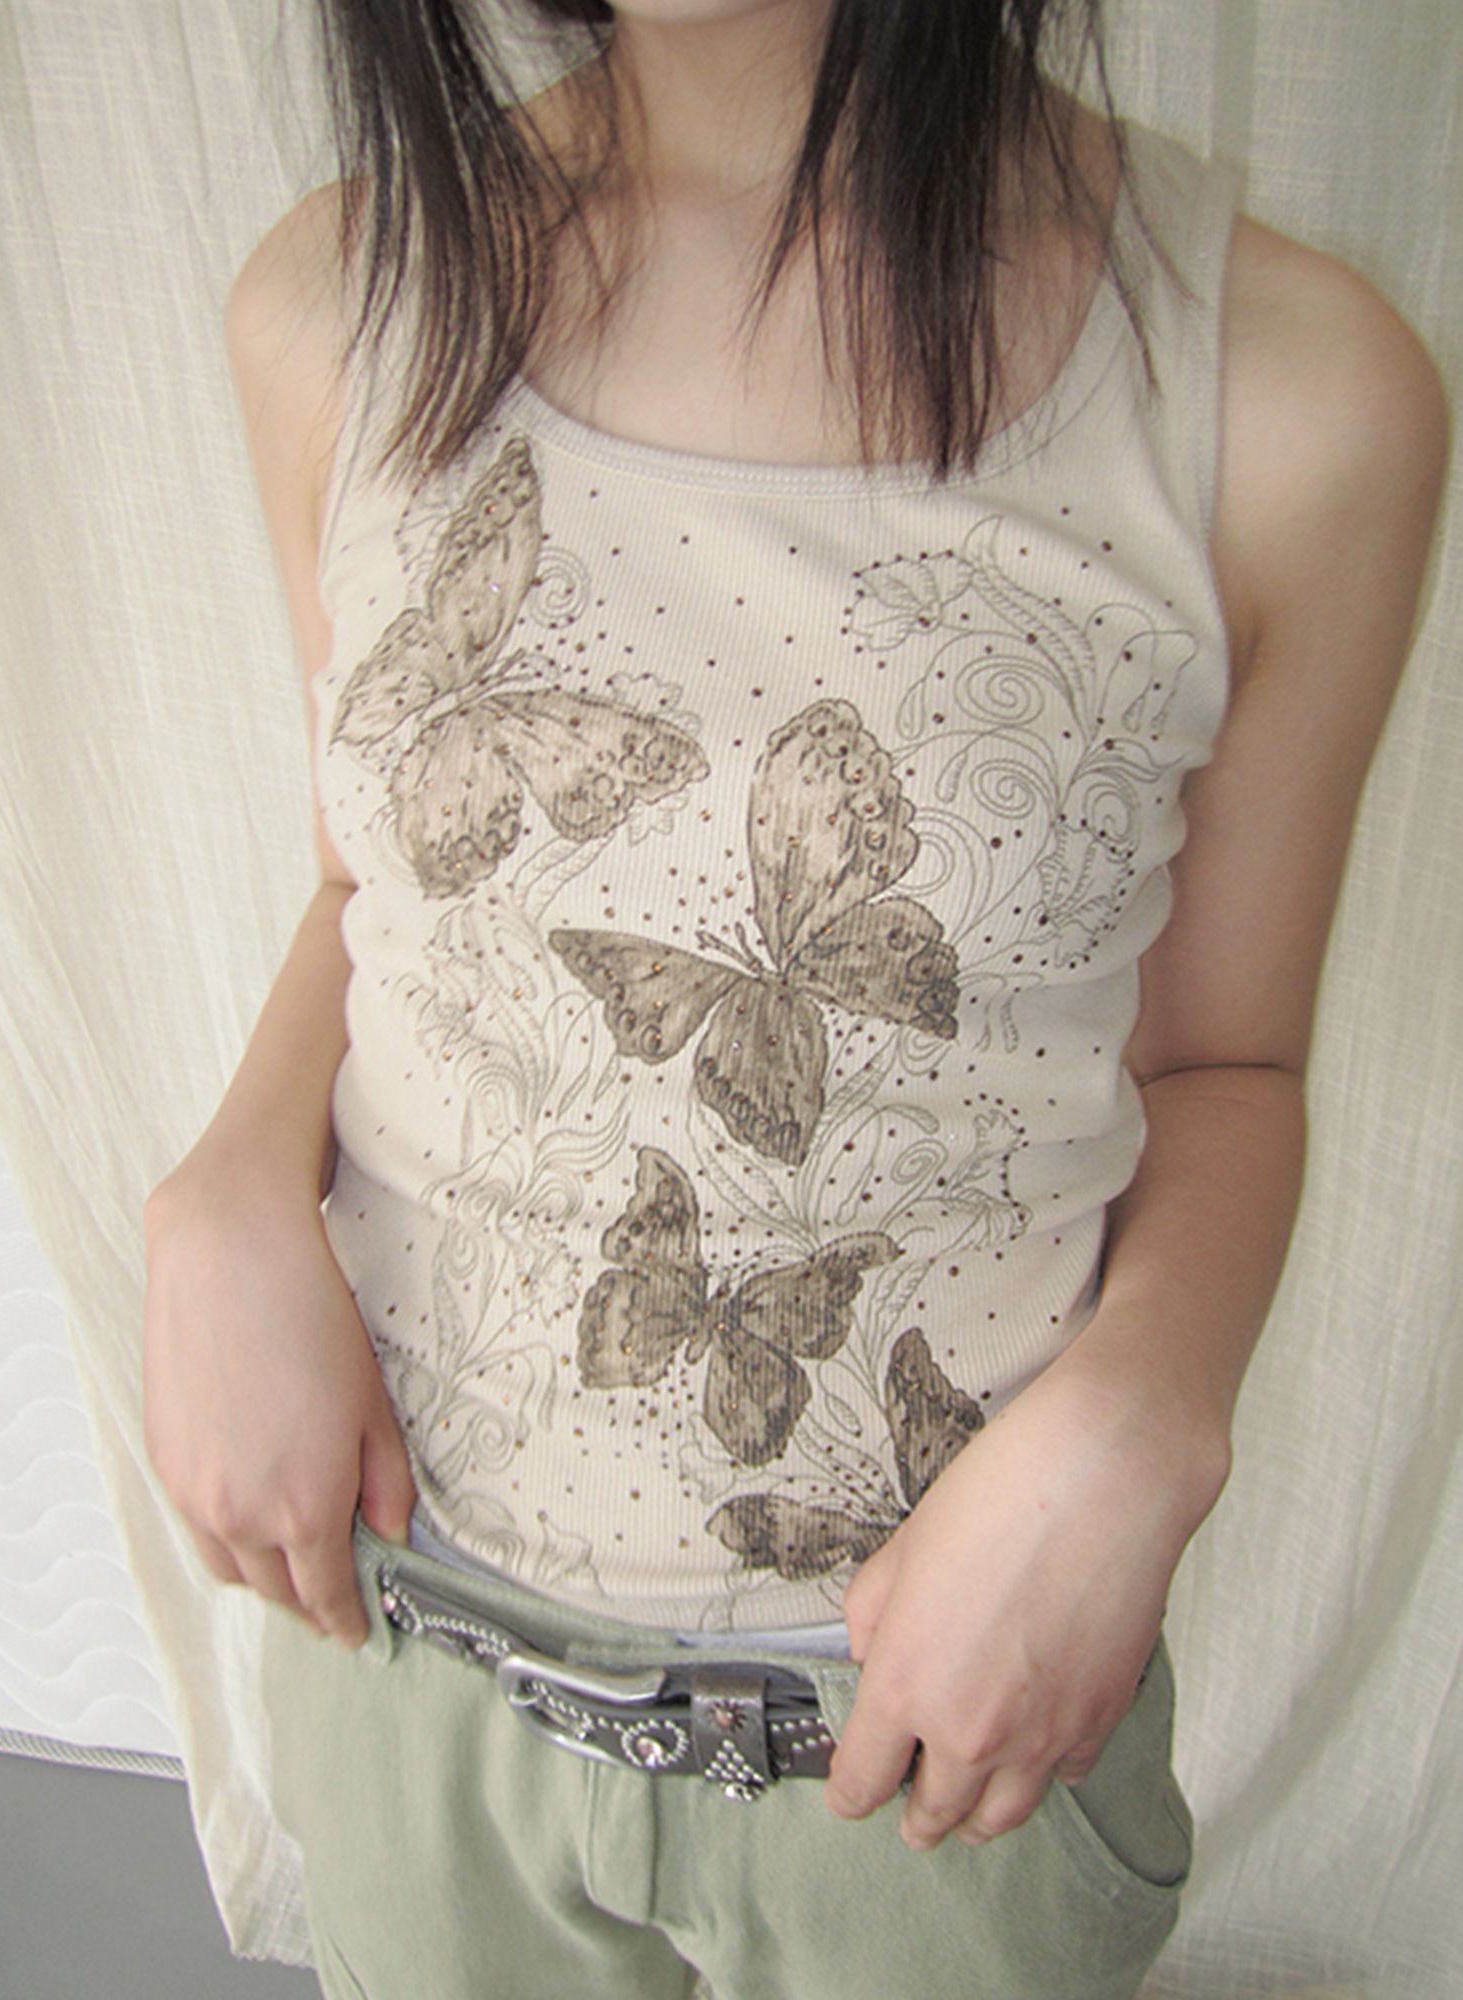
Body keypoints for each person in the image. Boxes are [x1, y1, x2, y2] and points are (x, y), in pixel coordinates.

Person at [140, 3, 1448, 1995]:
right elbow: (383, 881)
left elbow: (1228, 1060)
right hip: (404, 1650)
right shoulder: (346, 301)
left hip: (924, 1747)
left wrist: (1150, 1415)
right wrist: (232, 1182)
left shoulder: (1283, 392)